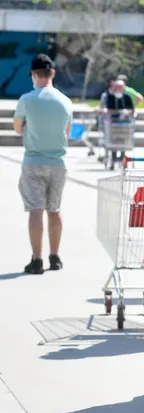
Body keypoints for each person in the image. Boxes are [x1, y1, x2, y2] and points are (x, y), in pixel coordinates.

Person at [13, 54, 73, 274]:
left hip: (33, 161)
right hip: (58, 162)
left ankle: (37, 260)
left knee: (36, 210)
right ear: (53, 74)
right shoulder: (65, 101)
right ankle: (55, 257)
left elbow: (18, 129)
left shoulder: (26, 99)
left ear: (33, 75)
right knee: (54, 210)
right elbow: (67, 132)